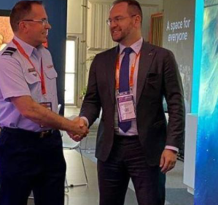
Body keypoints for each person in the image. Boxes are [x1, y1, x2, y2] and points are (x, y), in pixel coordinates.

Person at [71, 0, 185, 204]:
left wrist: (172, 146)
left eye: (118, 19)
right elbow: (92, 100)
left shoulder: (161, 57)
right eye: (109, 20)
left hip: (147, 149)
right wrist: (84, 120)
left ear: (136, 19)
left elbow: (176, 105)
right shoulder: (101, 61)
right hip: (110, 148)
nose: (112, 24)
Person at [0, 1, 88, 205]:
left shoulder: (45, 54)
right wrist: (69, 125)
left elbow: (47, 101)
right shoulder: (7, 60)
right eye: (42, 20)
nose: (48, 26)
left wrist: (61, 126)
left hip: (49, 143)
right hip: (19, 145)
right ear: (24, 25)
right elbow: (29, 109)